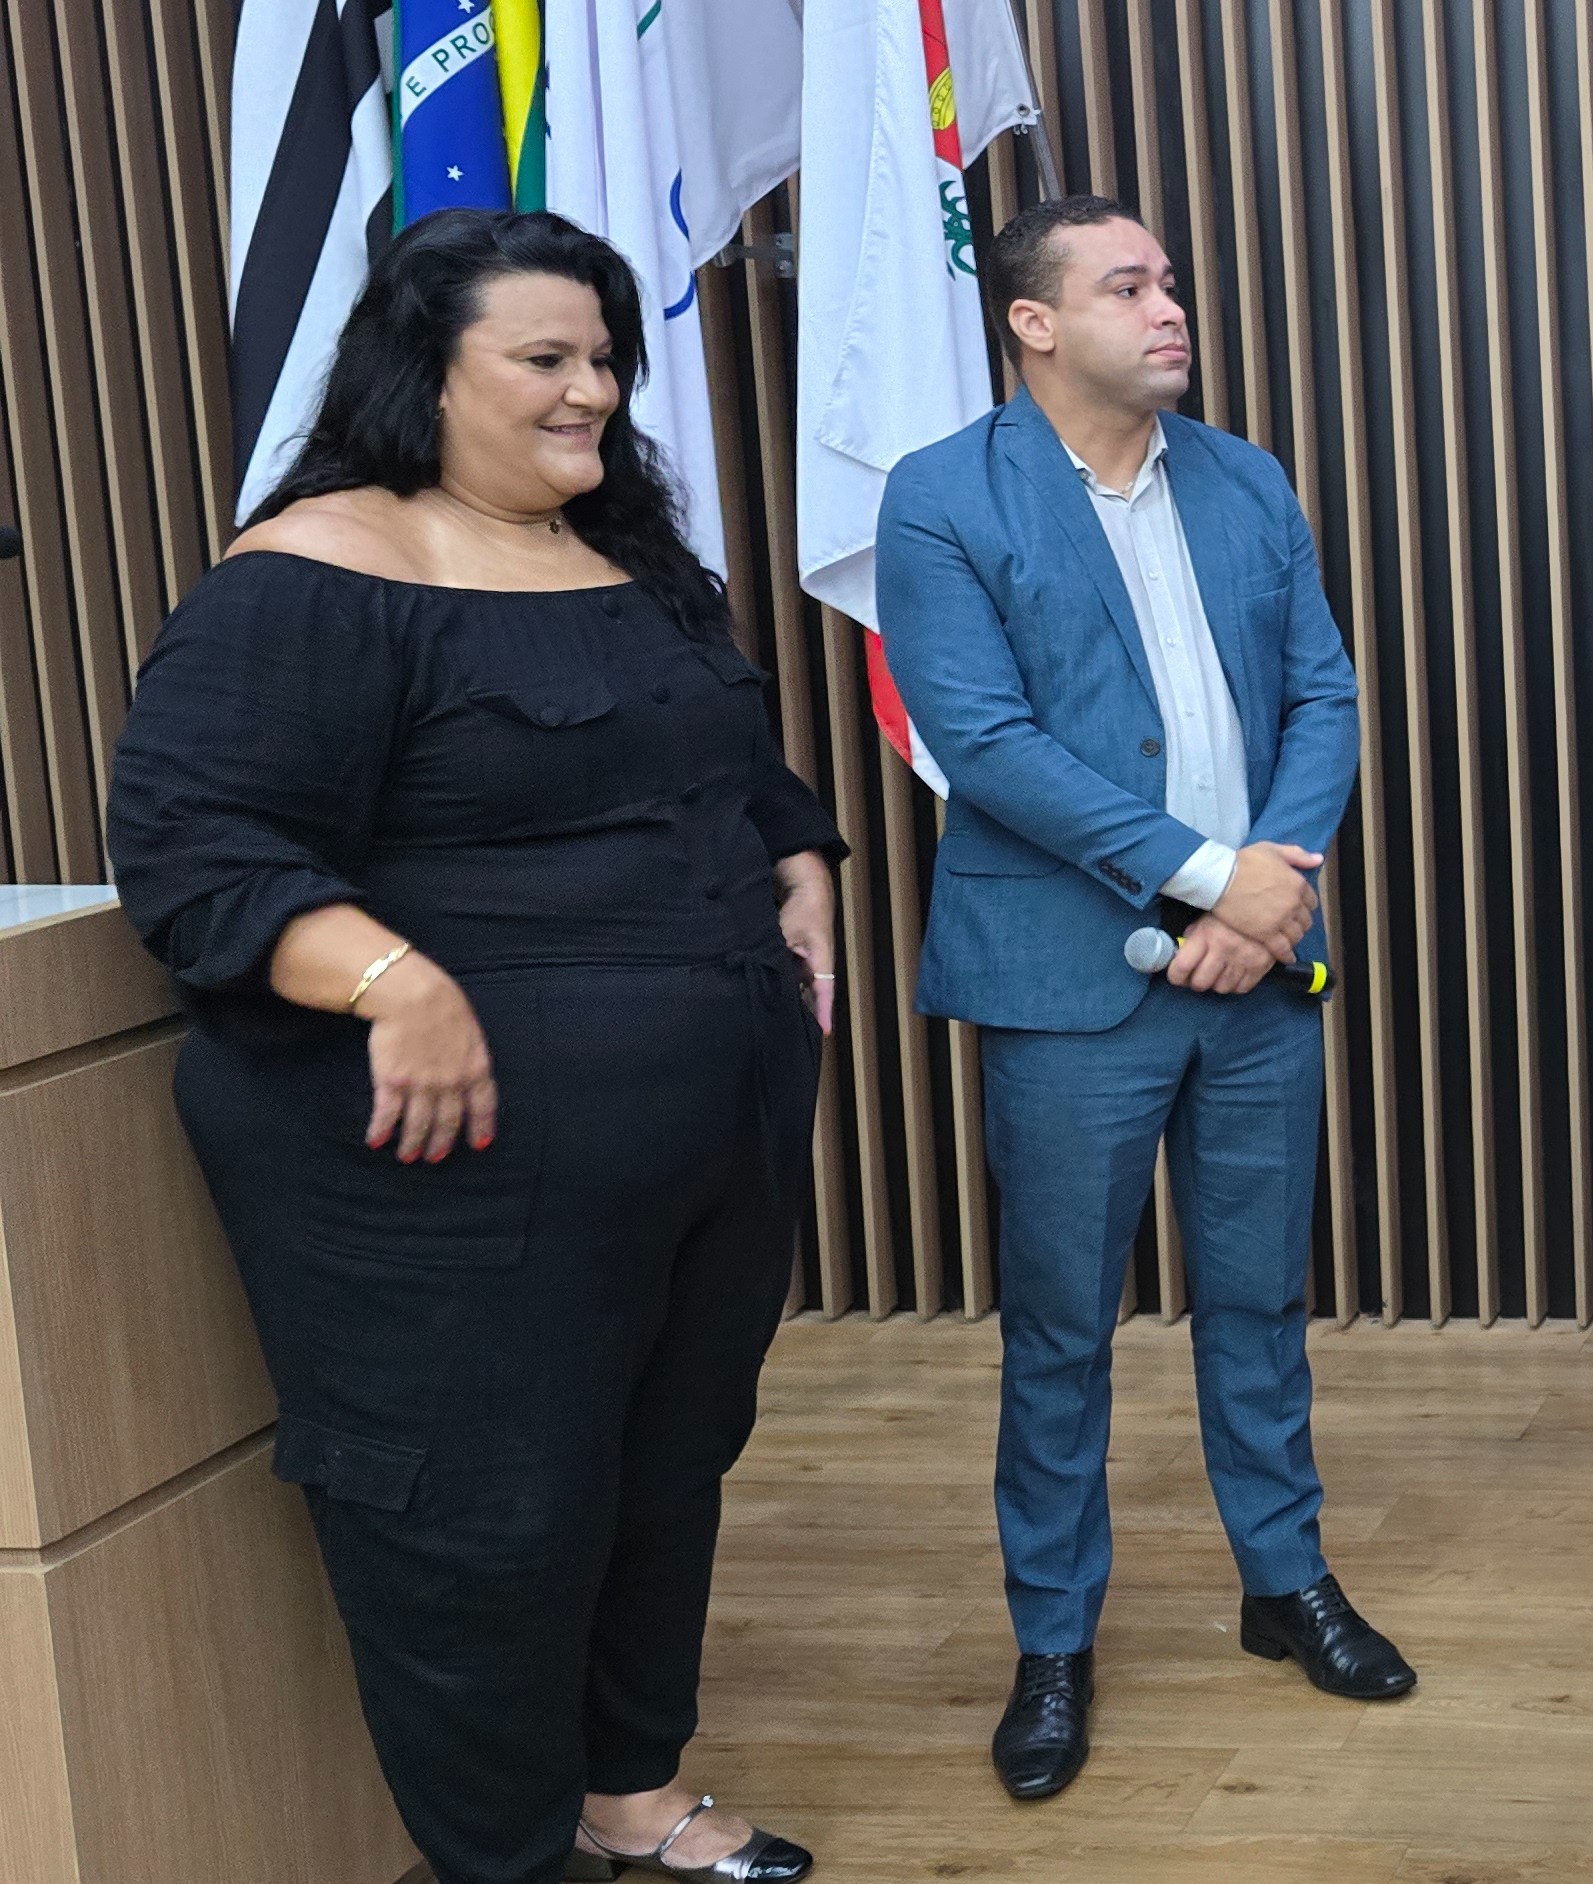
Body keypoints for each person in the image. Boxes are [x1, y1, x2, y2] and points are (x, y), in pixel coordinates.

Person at [106, 210, 835, 1884]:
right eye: (546, 359)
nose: (593, 391)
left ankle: (633, 1792)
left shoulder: (628, 557)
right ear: (423, 374)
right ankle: (507, 1856)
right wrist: (390, 979)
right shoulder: (314, 572)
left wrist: (797, 853)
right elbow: (196, 849)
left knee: (668, 1466)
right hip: (456, 1180)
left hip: (709, 1124)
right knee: (488, 1516)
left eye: (605, 359)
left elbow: (721, 756)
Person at [873, 196, 1407, 1805]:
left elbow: (1324, 692)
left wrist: (1268, 889)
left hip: (1258, 975)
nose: (1170, 306)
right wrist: (1211, 878)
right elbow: (986, 744)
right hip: (1067, 991)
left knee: (1259, 1300)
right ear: (1034, 323)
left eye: (1169, 280)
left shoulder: (1245, 479)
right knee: (1061, 1330)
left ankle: (1283, 1578)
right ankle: (1053, 1640)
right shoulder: (942, 498)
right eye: (1128, 286)